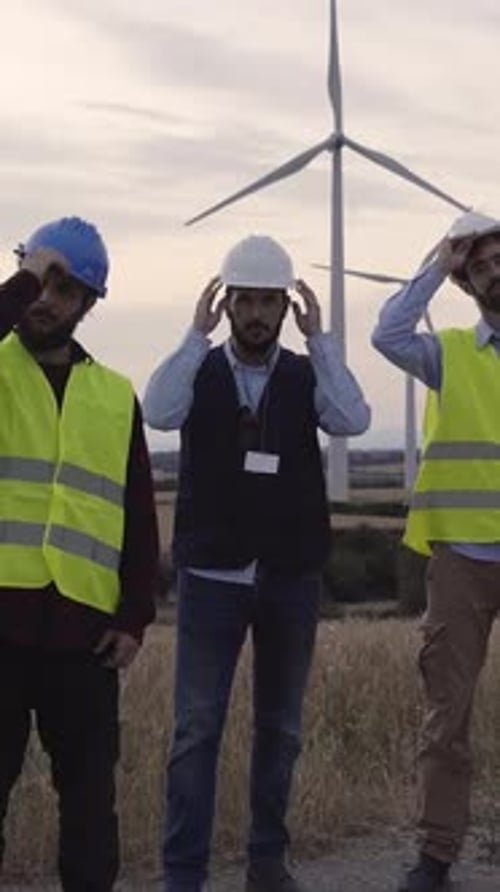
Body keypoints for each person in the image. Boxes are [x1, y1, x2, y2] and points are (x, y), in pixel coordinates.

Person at [143, 234, 371, 892]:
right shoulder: (200, 370)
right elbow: (159, 411)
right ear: (225, 302)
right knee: (195, 730)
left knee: (281, 726)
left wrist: (322, 342)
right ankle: (183, 874)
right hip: (213, 574)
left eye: (269, 301)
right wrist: (194, 335)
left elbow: (353, 418)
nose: (256, 313)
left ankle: (266, 863)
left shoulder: (305, 375)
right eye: (244, 299)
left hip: (289, 574)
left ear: (286, 305)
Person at [0, 217, 159, 891]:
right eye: (42, 280)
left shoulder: (114, 395)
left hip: (83, 635)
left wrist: (133, 617)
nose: (47, 298)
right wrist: (24, 277)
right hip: (0, 628)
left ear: (89, 303)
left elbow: (137, 514)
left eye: (66, 288)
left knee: (91, 807)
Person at [372, 211, 500, 892]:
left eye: (499, 258)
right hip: (461, 559)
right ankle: (437, 854)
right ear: (466, 280)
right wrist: (437, 264)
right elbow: (387, 332)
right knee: (446, 716)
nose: (494, 270)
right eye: (479, 264)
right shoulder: (446, 351)